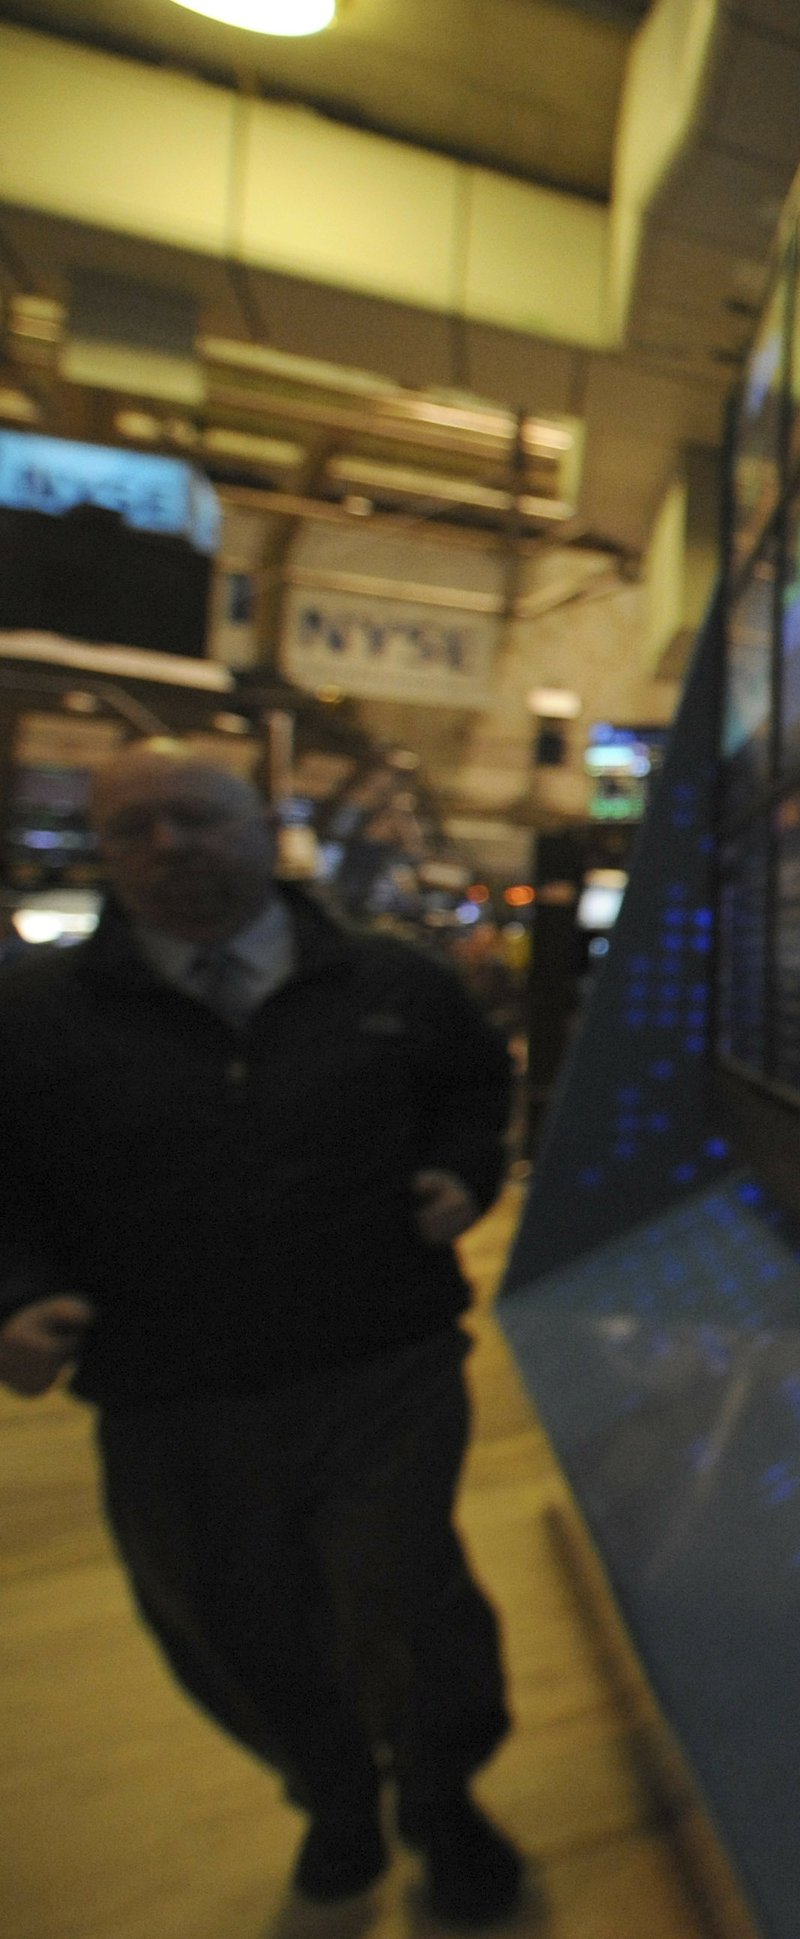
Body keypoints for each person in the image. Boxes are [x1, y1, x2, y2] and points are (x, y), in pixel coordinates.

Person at [0, 741, 525, 1921]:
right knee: (227, 1619)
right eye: (133, 828)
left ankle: (443, 1801)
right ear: (104, 851)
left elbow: (473, 1091)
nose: (168, 845)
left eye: (195, 817)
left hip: (379, 1358)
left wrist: (460, 1171)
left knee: (403, 1589)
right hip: (169, 1386)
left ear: (261, 826)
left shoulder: (394, 985)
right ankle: (334, 1802)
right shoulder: (33, 1015)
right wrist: (14, 1293)